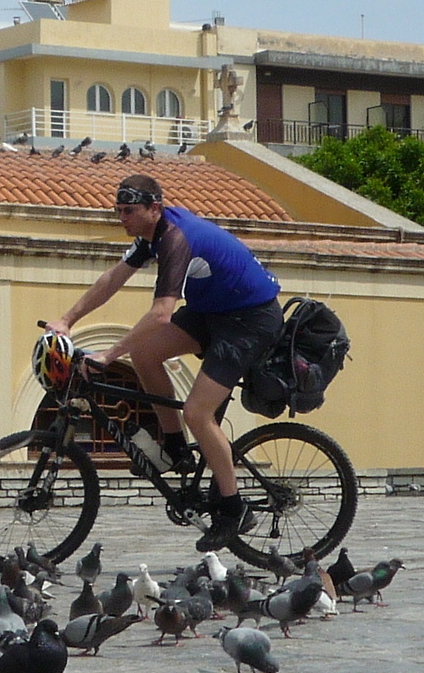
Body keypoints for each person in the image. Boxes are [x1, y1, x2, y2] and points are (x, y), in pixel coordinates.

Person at [45, 173, 282, 551]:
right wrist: (67, 320)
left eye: (129, 211)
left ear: (155, 208)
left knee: (197, 413)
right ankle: (175, 449)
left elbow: (160, 315)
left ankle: (235, 508)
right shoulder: (151, 235)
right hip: (213, 312)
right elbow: (113, 279)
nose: (122, 218)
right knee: (144, 354)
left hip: (250, 320)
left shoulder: (174, 238)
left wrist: (107, 354)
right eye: (118, 211)